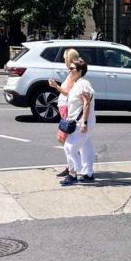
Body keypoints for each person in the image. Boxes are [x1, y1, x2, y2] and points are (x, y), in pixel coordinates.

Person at [60, 60, 96, 185]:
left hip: (81, 123)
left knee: (69, 146)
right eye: (69, 68)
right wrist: (56, 87)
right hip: (77, 122)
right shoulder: (77, 84)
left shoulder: (83, 84)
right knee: (86, 147)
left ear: (80, 71)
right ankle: (88, 173)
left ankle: (73, 173)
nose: (69, 70)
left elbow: (86, 102)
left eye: (72, 68)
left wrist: (84, 122)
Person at [49, 48, 83, 178]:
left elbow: (69, 93)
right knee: (64, 139)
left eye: (65, 59)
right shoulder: (71, 73)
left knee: (63, 139)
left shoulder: (74, 73)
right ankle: (71, 165)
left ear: (70, 59)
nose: (64, 61)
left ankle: (72, 167)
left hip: (68, 110)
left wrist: (56, 87)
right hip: (64, 109)